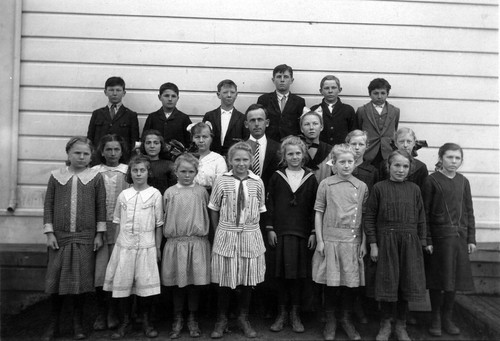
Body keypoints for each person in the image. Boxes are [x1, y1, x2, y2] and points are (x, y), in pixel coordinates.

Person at [41, 137, 106, 341]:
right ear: (68, 154)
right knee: (56, 282)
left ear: (91, 156)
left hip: (85, 237)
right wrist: (50, 232)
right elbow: (48, 205)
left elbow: (101, 207)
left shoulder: (95, 177)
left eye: (86, 154)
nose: (81, 157)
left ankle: (78, 324)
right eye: (77, 153)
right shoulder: (56, 177)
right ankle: (54, 325)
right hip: (59, 237)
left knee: (80, 282)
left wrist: (99, 234)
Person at [365, 150, 427, 341]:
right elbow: (369, 218)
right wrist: (373, 244)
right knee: (387, 283)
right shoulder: (379, 188)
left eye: (405, 166)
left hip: (409, 243)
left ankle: (401, 324)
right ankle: (385, 324)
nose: (401, 170)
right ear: (388, 167)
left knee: (405, 283)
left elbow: (421, 218)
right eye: (397, 165)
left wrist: (422, 242)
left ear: (410, 169)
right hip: (386, 243)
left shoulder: (414, 189)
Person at [208, 142, 266, 339]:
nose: (241, 163)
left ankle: (243, 317)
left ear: (251, 161)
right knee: (225, 280)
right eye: (237, 159)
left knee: (246, 280)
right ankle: (222, 319)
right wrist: (218, 233)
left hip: (250, 235)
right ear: (230, 161)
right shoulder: (221, 180)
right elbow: (214, 208)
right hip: (226, 234)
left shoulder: (257, 181)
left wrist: (252, 230)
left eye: (245, 160)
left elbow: (260, 209)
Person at [103, 155, 164, 339]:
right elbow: (117, 222)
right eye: (135, 170)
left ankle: (146, 322)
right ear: (130, 172)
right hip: (125, 245)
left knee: (145, 286)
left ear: (148, 172)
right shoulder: (124, 195)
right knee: (124, 286)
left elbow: (158, 224)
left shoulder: (155, 194)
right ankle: (125, 322)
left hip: (147, 245)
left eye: (142, 170)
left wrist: (158, 248)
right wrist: (116, 247)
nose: (138, 174)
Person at [312, 144, 368, 341]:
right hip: (330, 240)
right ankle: (331, 321)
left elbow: (364, 217)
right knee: (331, 284)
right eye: (341, 162)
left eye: (349, 162)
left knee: (349, 285)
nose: (346, 166)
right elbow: (318, 212)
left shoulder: (361, 186)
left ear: (355, 163)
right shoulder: (326, 184)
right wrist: (320, 240)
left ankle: (346, 319)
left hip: (352, 242)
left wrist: (363, 243)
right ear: (333, 164)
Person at [422, 143, 476, 337]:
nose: (453, 161)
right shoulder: (431, 181)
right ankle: (435, 317)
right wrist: (427, 239)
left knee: (454, 279)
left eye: (457, 158)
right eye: (449, 157)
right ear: (441, 158)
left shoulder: (463, 181)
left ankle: (447, 317)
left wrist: (471, 238)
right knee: (439, 279)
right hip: (439, 239)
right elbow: (425, 213)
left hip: (459, 239)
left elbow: (469, 211)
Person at [265, 136, 318, 333]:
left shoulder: (311, 178)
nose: (294, 157)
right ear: (284, 156)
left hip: (302, 234)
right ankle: (281, 313)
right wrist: (270, 228)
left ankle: (295, 314)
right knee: (280, 275)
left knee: (298, 276)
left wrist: (313, 231)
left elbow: (316, 207)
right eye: (290, 154)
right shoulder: (277, 176)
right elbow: (269, 205)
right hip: (280, 232)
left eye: (298, 153)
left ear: (303, 155)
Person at [162, 153, 211, 339]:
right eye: (183, 171)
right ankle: (177, 318)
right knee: (178, 284)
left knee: (193, 284)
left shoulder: (201, 192)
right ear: (176, 172)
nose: (187, 175)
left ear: (196, 172)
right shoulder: (169, 192)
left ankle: (192, 317)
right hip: (176, 243)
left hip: (196, 243)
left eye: (191, 171)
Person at [92, 134, 130, 331]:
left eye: (116, 149)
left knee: (119, 271)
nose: (113, 153)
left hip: (122, 228)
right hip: (100, 228)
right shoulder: (94, 172)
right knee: (101, 272)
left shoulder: (128, 172)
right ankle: (101, 312)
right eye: (109, 149)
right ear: (102, 151)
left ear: (122, 152)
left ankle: (116, 312)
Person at [345, 129, 380, 324]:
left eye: (361, 145)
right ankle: (343, 310)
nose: (357, 148)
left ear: (366, 147)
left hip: (362, 223)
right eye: (353, 144)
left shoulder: (371, 171)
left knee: (360, 266)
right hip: (342, 224)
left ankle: (357, 306)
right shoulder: (341, 166)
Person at [87, 77, 139, 164]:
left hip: (122, 161)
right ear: (105, 92)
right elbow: (90, 138)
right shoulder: (97, 114)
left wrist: (131, 160)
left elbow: (135, 141)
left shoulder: (131, 115)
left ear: (124, 93)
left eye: (118, 90)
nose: (114, 93)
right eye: (111, 90)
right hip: (99, 160)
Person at [356, 78, 400, 168]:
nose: (379, 96)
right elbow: (358, 130)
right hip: (368, 153)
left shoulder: (395, 111)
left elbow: (394, 129)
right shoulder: (362, 110)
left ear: (387, 94)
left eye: (383, 93)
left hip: (387, 153)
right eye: (376, 93)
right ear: (370, 94)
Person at [257, 64, 306, 142]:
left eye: (286, 77)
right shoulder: (264, 100)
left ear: (291, 80)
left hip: (291, 144)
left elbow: (302, 125)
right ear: (273, 80)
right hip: (269, 143)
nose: (282, 80)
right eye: (279, 77)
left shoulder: (299, 101)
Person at [203, 79, 248, 156]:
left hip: (233, 158)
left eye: (232, 92)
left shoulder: (242, 118)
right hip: (212, 156)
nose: (229, 95)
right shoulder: (209, 116)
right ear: (218, 95)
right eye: (225, 92)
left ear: (236, 95)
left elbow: (245, 140)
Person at [310, 75, 358, 146]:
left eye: (333, 88)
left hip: (342, 151)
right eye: (326, 88)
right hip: (320, 150)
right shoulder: (314, 109)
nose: (330, 91)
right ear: (321, 91)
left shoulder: (348, 109)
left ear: (339, 90)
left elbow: (353, 133)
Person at [143, 82, 192, 149]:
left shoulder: (184, 118)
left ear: (178, 98)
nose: (170, 99)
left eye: (173, 96)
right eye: (166, 96)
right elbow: (144, 139)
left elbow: (189, 141)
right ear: (159, 97)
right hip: (156, 157)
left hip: (177, 157)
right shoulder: (152, 117)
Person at [244, 104, 281, 189]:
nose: (256, 124)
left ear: (267, 123)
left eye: (260, 120)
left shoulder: (278, 148)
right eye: (252, 120)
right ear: (246, 124)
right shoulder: (240, 148)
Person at [191, 122, 228, 192]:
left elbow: (222, 184)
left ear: (211, 139)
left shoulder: (218, 159)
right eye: (197, 137)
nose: (201, 140)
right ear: (192, 139)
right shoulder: (187, 158)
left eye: (205, 137)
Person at [140, 130, 176, 195]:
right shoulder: (138, 165)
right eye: (148, 143)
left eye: (156, 143)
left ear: (161, 145)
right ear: (143, 145)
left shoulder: (169, 165)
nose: (152, 146)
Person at [300, 111, 333, 184]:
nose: (311, 127)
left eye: (315, 124)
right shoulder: (297, 150)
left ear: (321, 127)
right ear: (301, 129)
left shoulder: (330, 151)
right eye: (307, 124)